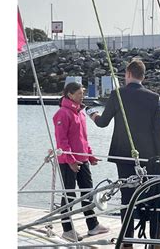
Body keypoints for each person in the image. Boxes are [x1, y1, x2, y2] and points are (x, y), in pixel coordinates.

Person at [89, 59, 160, 248]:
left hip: (124, 154)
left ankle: (127, 241)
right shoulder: (153, 97)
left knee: (127, 198)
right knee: (152, 198)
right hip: (149, 156)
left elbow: (103, 122)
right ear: (143, 76)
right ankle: (155, 241)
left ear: (128, 74)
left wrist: (91, 113)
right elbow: (158, 131)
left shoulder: (118, 94)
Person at [53, 82, 109, 242]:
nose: (82, 96)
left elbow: (83, 139)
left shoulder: (80, 113)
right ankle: (67, 230)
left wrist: (90, 156)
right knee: (69, 195)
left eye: (82, 93)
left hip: (82, 159)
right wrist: (71, 160)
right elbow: (61, 141)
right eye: (79, 94)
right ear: (69, 95)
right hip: (67, 161)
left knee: (88, 192)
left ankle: (93, 226)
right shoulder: (62, 113)